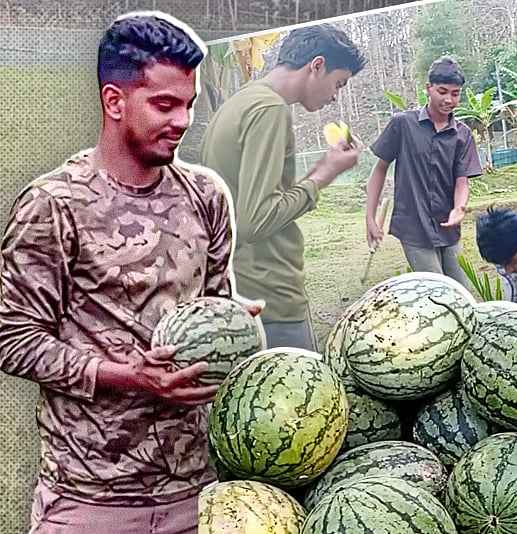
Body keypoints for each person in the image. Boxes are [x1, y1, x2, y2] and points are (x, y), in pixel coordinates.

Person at [0, 12, 252, 534]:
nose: (182, 120)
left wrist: (235, 324)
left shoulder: (205, 197)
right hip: (91, 500)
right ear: (114, 101)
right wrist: (129, 375)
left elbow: (215, 309)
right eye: (164, 104)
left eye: (188, 104)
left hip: (201, 493)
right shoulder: (53, 205)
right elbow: (11, 337)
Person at [199, 24, 366, 351]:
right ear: (317, 66)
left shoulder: (237, 105)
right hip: (271, 293)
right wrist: (322, 177)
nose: (335, 97)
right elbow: (256, 220)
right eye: (339, 84)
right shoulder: (270, 110)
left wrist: (320, 168)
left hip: (238, 285)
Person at [365, 56, 483, 288]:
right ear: (428, 89)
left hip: (448, 227)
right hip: (413, 225)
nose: (449, 99)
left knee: (462, 290)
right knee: (438, 291)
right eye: (442, 91)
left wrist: (459, 209)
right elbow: (380, 169)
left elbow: (462, 181)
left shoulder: (463, 134)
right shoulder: (402, 124)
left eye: (455, 93)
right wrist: (370, 216)